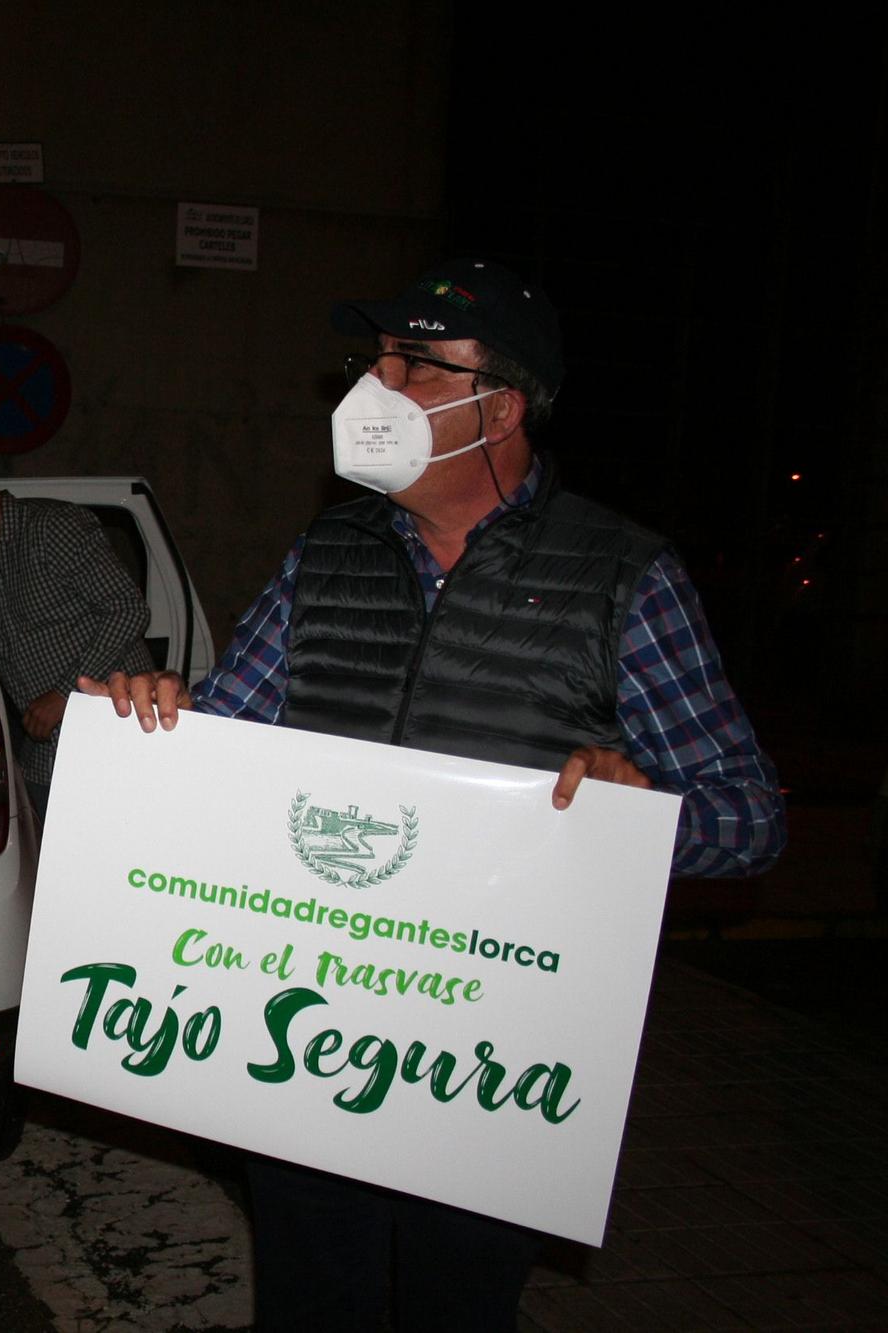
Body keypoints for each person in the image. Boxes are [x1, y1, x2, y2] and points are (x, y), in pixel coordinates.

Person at [85, 259, 785, 1330]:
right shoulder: (329, 551)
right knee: (311, 1299)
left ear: (496, 407)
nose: (374, 384)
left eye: (412, 364)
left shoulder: (619, 575)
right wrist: (157, 716)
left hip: (481, 1062)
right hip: (311, 1038)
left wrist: (637, 801)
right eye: (370, 360)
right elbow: (229, 733)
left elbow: (748, 815)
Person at [0, 438, 153, 824]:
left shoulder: (53, 528)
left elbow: (127, 608)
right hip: (44, 754)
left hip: (114, 729)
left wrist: (63, 695)